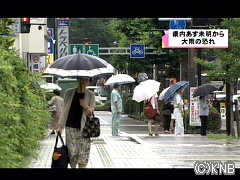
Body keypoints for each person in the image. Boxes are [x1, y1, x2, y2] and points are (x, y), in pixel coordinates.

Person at [57, 77, 95, 168]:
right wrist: (60, 126)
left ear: (89, 82)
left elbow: (91, 112)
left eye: (86, 80)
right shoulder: (69, 93)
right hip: (70, 128)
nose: (84, 82)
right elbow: (64, 110)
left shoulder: (91, 95)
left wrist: (85, 106)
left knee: (83, 155)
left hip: (85, 129)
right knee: (72, 155)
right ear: (78, 80)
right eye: (82, 79)